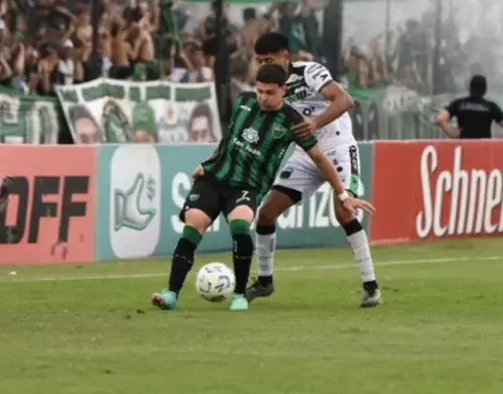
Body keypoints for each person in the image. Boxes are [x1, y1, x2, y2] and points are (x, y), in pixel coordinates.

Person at [150, 64, 374, 312]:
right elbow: (229, 140)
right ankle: (171, 293)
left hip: (246, 186)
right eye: (260, 91)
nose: (263, 97)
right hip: (215, 177)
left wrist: (342, 193)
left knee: (240, 225)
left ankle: (239, 295)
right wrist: (208, 164)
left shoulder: (292, 121)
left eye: (269, 92)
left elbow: (320, 158)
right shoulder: (243, 102)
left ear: (283, 91)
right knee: (193, 225)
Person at [248, 32, 383, 308]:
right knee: (266, 213)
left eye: (268, 59)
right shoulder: (268, 88)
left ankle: (371, 286)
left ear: (286, 57)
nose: (263, 65)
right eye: (259, 60)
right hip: (304, 155)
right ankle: (265, 281)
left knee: (343, 211)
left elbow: (345, 101)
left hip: (338, 148)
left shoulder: (309, 72)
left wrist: (316, 123)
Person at [436, 75, 503, 141]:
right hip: (483, 149)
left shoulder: (459, 104)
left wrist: (454, 135)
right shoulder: (490, 106)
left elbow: (441, 119)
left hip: (463, 149)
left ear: (470, 88)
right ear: (484, 89)